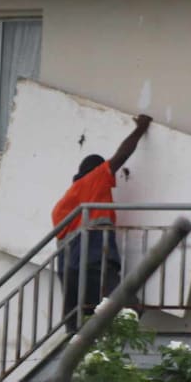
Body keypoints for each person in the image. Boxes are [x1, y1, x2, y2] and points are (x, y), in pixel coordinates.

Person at [51, 114, 152, 332]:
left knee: (78, 322)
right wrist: (140, 129)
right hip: (94, 257)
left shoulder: (65, 203)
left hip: (69, 270)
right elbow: (122, 155)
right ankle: (122, 352)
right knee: (131, 307)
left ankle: (76, 348)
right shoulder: (94, 180)